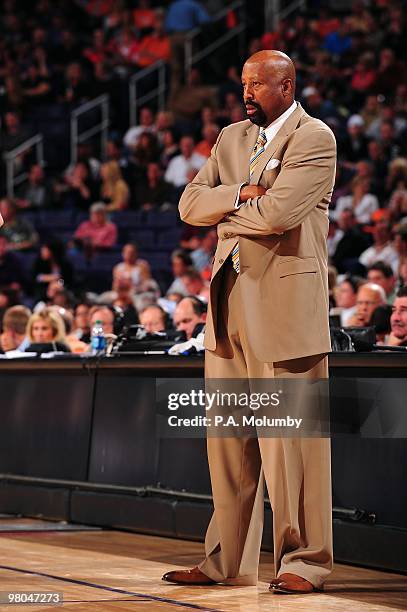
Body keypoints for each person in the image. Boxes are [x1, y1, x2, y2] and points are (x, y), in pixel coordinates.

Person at [163, 50, 337, 594]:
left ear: (287, 86)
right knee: (228, 444)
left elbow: (280, 214)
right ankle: (223, 560)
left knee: (294, 447)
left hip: (284, 307)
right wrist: (239, 193)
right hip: (227, 302)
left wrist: (226, 215)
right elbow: (189, 205)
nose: (247, 92)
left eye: (258, 84)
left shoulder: (314, 138)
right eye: (244, 82)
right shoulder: (231, 139)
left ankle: (304, 561)